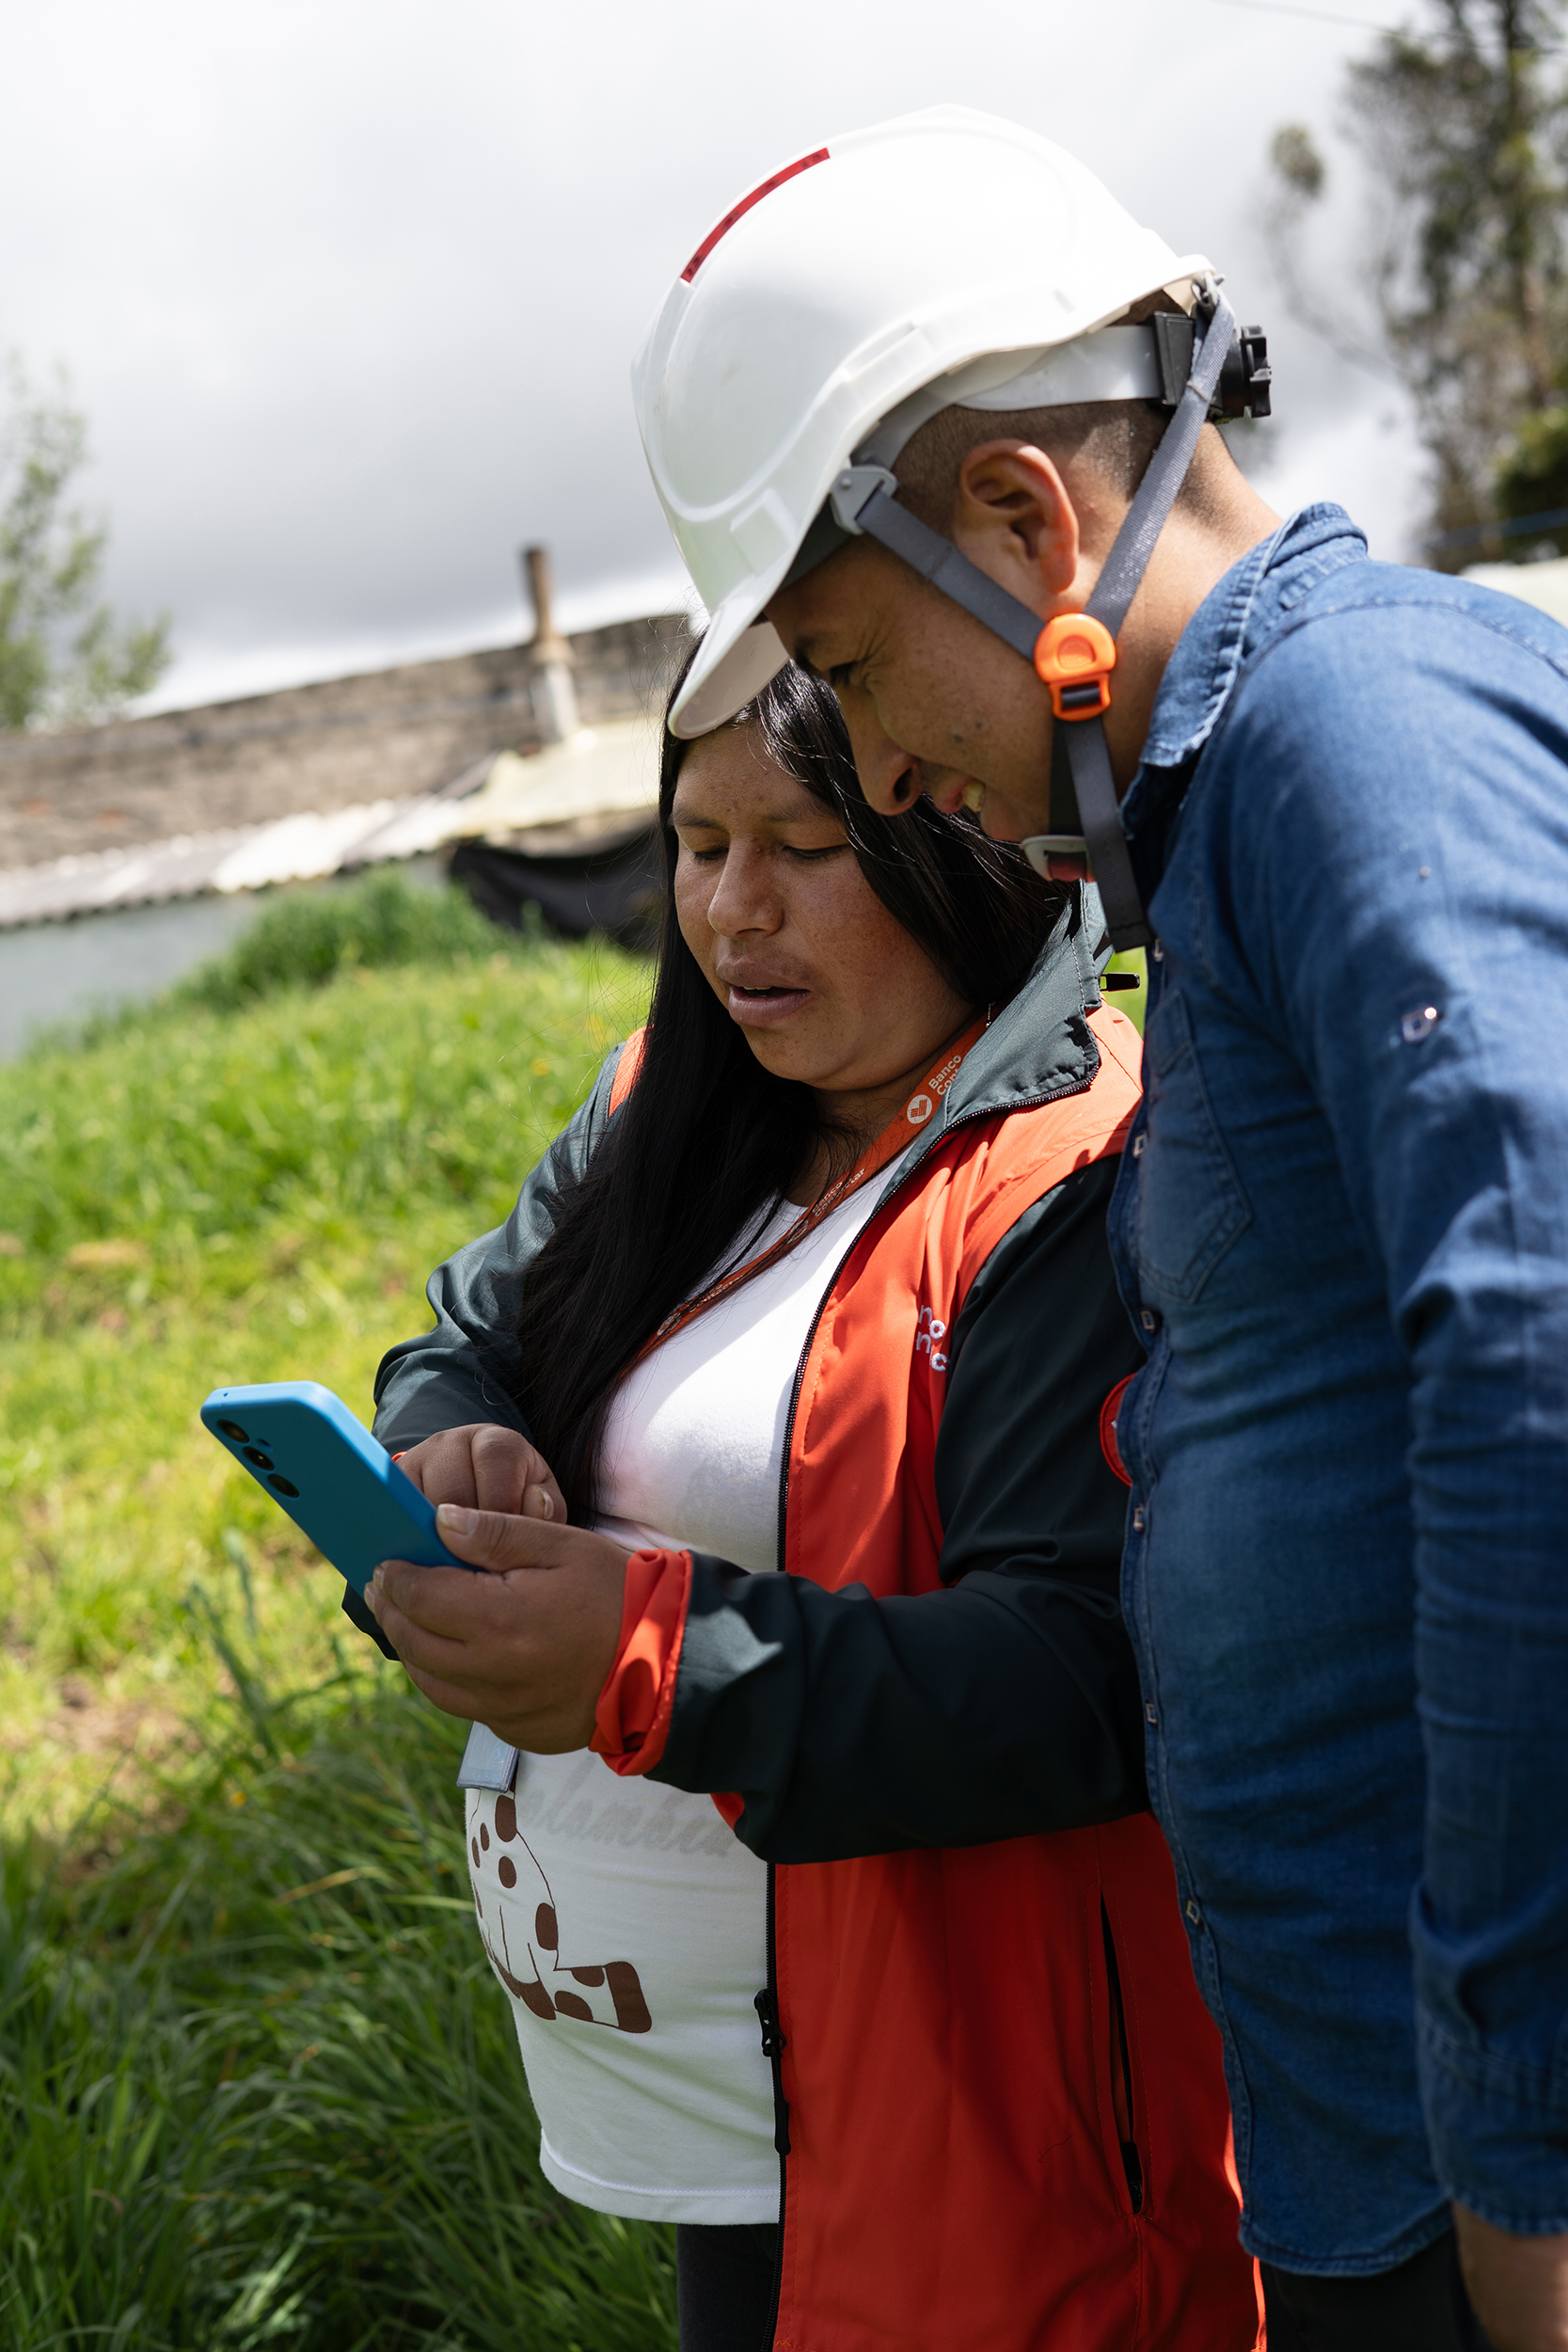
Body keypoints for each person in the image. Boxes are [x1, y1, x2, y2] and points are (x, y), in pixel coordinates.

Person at [617, 103, 1568, 2352]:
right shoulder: (1219, 819)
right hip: (1372, 2163)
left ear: (1024, 523)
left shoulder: (1353, 722)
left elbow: (1537, 1366)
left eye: (849, 676)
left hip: (1488, 2211)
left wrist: (1534, 2136)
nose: (874, 765)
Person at [362, 652, 1261, 2349]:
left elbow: (1078, 1675)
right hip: (699, 2123)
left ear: (955, 840)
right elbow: (466, 1332)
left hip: (961, 2106)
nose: (730, 910)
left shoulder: (1079, 1172)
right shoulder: (667, 1104)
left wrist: (641, 1663)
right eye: (697, 844)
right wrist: (440, 1447)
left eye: (802, 843)